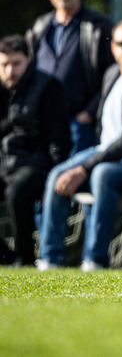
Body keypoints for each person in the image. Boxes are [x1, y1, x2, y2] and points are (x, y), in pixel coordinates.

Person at [36, 19, 122, 271]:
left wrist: (84, 168)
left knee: (102, 174)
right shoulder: (111, 74)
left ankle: (95, 260)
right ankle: (49, 259)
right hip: (103, 152)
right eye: (121, 43)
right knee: (56, 175)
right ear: (113, 48)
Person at [26, 0, 114, 155]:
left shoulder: (99, 27)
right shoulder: (39, 28)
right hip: (43, 125)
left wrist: (88, 113)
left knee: (69, 181)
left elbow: (114, 74)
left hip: (80, 124)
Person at [0, 35, 71, 266]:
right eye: (4, 65)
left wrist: (57, 172)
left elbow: (59, 138)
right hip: (5, 163)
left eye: (16, 63)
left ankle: (24, 257)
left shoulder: (47, 87)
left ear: (29, 60)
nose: (10, 71)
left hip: (36, 164)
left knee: (17, 192)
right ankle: (6, 257)